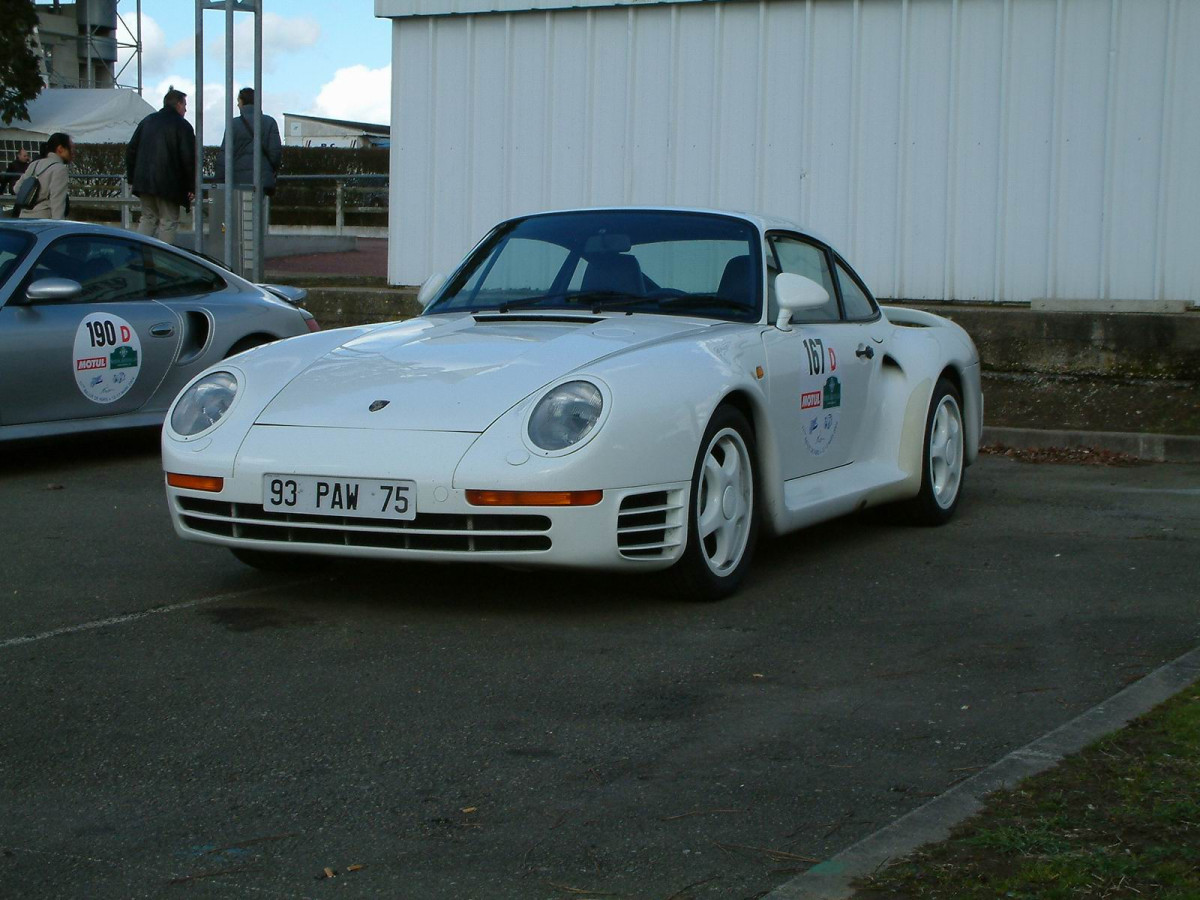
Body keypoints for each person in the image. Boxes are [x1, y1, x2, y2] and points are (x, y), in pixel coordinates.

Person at [125, 86, 196, 244]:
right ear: (178, 104)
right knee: (168, 221)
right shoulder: (183, 126)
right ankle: (163, 259)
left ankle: (138, 254)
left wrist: (132, 178)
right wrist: (191, 186)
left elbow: (131, 150)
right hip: (169, 183)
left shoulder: (147, 121)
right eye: (185, 105)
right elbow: (188, 159)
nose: (186, 109)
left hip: (143, 181)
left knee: (148, 218)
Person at [214, 87, 282, 195]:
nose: (237, 105)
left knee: (240, 210)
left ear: (242, 102)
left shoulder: (233, 124)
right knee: (261, 210)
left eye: (238, 101)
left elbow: (225, 156)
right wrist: (270, 170)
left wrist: (219, 181)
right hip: (263, 181)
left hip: (238, 181)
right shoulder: (270, 122)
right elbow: (275, 153)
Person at [13, 134, 73, 219]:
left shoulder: (34, 164)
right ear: (60, 149)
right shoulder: (60, 169)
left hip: (23, 218)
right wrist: (59, 227)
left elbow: (16, 188)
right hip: (44, 221)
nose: (73, 152)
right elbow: (57, 204)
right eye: (70, 148)